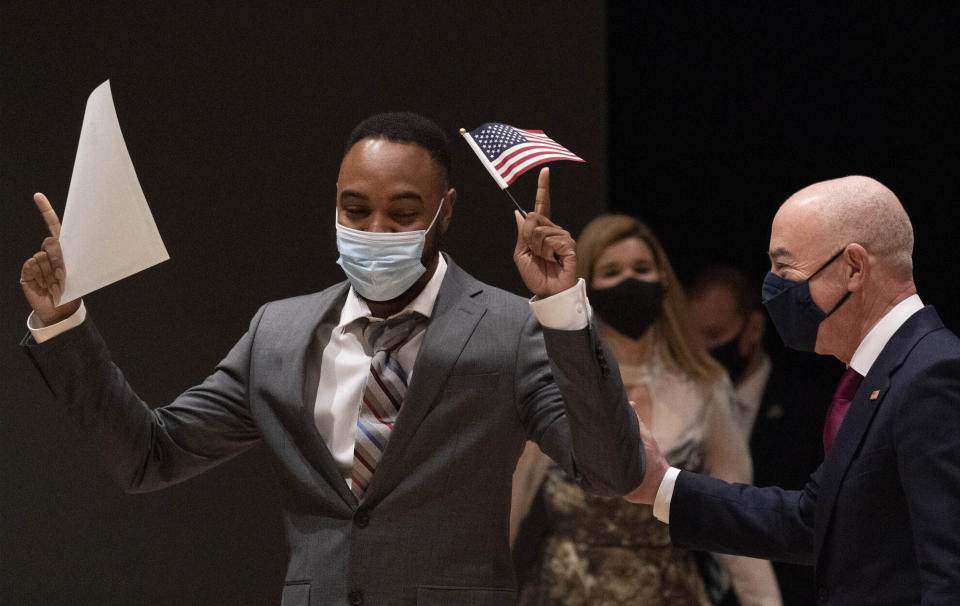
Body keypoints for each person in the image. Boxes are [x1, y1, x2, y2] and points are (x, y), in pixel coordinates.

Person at [19, 112, 646, 606]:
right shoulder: (281, 332)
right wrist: (62, 323)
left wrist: (563, 309)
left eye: (402, 213)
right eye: (355, 209)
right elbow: (150, 456)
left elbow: (611, 473)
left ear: (444, 211)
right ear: (335, 204)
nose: (375, 229)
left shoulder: (510, 329)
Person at [628, 176, 960, 605]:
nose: (773, 288)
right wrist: (662, 485)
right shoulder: (880, 375)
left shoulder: (933, 375)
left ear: (854, 268)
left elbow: (951, 574)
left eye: (785, 269)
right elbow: (812, 520)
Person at [510, 214, 781, 606]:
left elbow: (732, 519)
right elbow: (509, 508)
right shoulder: (555, 383)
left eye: (641, 268)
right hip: (567, 591)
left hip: (672, 591)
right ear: (586, 286)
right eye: (612, 272)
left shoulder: (703, 384)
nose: (629, 281)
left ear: (664, 280)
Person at [688, 265, 841, 605]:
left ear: (753, 328)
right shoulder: (681, 406)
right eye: (691, 342)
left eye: (714, 337)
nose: (702, 355)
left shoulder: (813, 410)